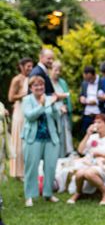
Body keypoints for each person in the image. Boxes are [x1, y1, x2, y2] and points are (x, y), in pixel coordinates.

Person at [21, 75, 61, 207]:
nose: (39, 87)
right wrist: (42, 105)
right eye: (36, 85)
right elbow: (30, 116)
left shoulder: (50, 98)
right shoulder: (27, 100)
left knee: (50, 167)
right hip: (33, 138)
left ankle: (48, 193)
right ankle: (29, 196)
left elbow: (56, 116)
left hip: (50, 137)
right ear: (31, 88)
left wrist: (54, 105)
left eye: (41, 85)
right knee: (31, 167)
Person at [68, 114, 105, 205]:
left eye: (99, 122)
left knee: (89, 173)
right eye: (95, 122)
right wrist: (88, 134)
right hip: (91, 163)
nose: (96, 124)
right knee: (79, 173)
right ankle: (78, 192)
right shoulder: (93, 137)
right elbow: (80, 151)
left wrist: (102, 154)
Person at [8, 57, 33, 178]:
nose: (30, 68)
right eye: (28, 66)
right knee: (19, 140)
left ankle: (27, 169)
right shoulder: (17, 79)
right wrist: (24, 94)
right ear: (21, 66)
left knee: (28, 141)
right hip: (20, 112)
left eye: (31, 66)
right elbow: (10, 97)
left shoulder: (31, 79)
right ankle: (18, 172)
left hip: (30, 111)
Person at [50, 60, 73, 157]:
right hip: (52, 111)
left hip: (63, 112)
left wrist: (65, 106)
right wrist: (59, 97)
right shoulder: (47, 82)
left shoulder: (62, 82)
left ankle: (63, 155)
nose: (58, 73)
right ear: (50, 70)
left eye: (59, 70)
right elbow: (50, 97)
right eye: (56, 70)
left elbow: (67, 96)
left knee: (64, 135)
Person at [79, 65, 101, 135]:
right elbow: (82, 94)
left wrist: (96, 102)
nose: (88, 81)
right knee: (85, 134)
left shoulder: (102, 82)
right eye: (86, 79)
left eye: (89, 79)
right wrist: (81, 98)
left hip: (98, 114)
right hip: (87, 114)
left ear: (94, 75)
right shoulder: (84, 83)